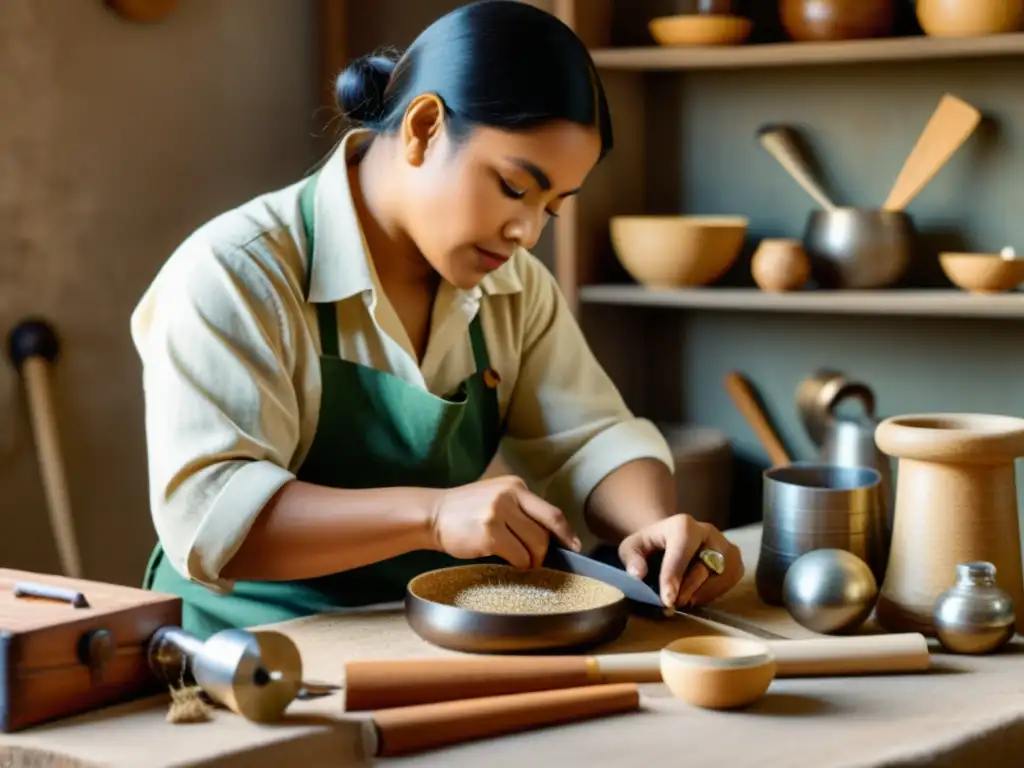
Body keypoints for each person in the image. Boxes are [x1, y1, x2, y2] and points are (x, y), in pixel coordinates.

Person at [132, 0, 744, 639]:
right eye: (513, 187)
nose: (527, 232)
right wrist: (431, 516)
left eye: (552, 207)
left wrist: (649, 524)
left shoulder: (514, 285)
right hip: (242, 658)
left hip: (421, 641)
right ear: (424, 128)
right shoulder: (237, 271)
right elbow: (211, 517)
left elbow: (590, 436)